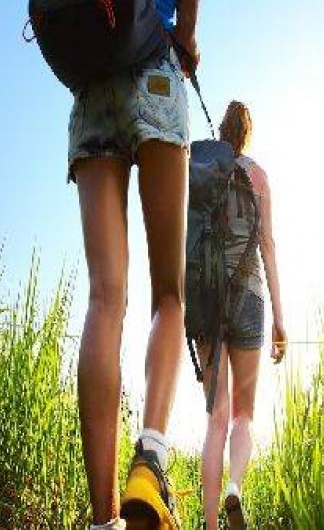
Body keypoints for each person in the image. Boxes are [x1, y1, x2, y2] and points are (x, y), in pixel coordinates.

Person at [69, 1, 200, 528]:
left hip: (90, 87)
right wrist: (186, 41)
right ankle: (149, 461)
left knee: (105, 299)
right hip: (155, 71)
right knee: (168, 296)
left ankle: (104, 521)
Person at [196, 101, 287, 529]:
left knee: (216, 418)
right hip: (250, 298)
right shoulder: (259, 176)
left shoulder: (202, 170)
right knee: (242, 416)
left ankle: (211, 524)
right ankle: (235, 486)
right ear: (247, 133)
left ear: (221, 130)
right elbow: (268, 244)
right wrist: (280, 319)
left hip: (207, 300)